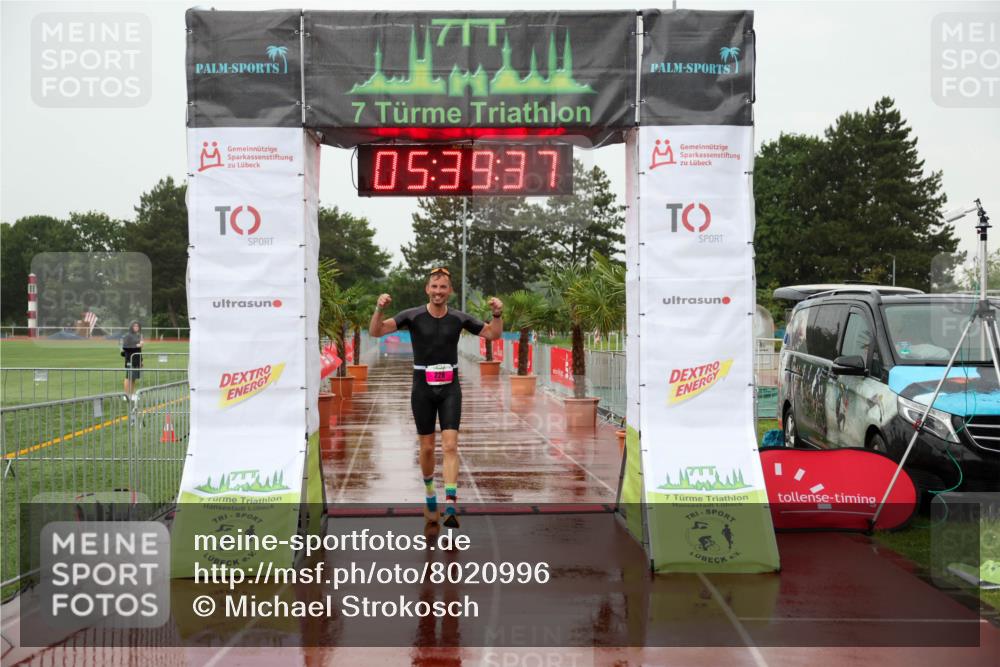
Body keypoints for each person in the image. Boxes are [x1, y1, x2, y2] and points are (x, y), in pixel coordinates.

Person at [369, 268, 503, 528]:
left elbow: (492, 334)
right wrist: (379, 309)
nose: (439, 291)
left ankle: (451, 504)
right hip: (422, 387)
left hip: (450, 387)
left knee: (451, 446)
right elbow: (376, 331)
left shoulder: (459, 318)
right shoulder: (412, 316)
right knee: (428, 447)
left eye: (443, 287)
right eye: (434, 287)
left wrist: (497, 314)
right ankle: (430, 493)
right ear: (427, 289)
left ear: (450, 291)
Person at [121, 320, 143, 401]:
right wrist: (137, 345)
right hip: (130, 359)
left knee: (133, 378)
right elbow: (125, 347)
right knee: (128, 377)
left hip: (136, 359)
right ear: (131, 327)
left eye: (137, 326)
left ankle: (132, 394)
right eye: (134, 326)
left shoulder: (137, 336)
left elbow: (139, 350)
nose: (136, 327)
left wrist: (141, 360)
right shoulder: (127, 335)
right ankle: (126, 395)